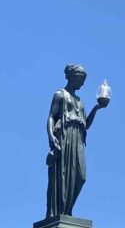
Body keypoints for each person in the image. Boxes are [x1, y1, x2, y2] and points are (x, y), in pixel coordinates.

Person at [45, 64, 109, 218]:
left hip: (78, 139)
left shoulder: (80, 101)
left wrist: (96, 108)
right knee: (62, 174)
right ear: (72, 77)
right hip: (64, 136)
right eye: (81, 79)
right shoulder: (60, 95)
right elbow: (51, 117)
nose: (83, 83)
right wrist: (52, 137)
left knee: (80, 175)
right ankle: (62, 213)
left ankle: (67, 210)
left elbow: (86, 124)